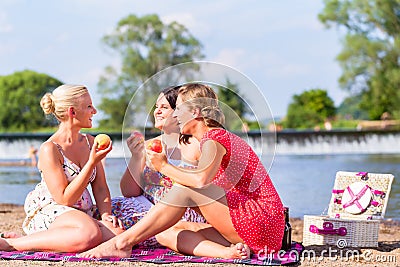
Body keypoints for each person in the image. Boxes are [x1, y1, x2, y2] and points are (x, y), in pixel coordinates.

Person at [80, 83, 285, 259]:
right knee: (167, 233)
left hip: (260, 223)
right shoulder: (211, 139)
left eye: (178, 109)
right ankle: (227, 253)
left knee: (183, 190)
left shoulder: (216, 138)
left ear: (195, 112)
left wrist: (164, 166)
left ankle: (120, 244)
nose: (175, 115)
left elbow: (200, 180)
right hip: (256, 233)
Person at [0, 84, 124, 252]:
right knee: (90, 234)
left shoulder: (90, 142)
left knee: (118, 233)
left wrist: (106, 215)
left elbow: (100, 186)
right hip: (53, 210)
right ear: (72, 112)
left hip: (80, 215)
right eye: (89, 106)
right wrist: (91, 163)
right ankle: (12, 244)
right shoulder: (49, 149)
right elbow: (64, 199)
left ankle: (49, 240)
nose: (94, 111)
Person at [112, 86, 205, 233]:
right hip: (147, 206)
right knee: (108, 211)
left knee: (121, 225)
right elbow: (129, 192)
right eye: (156, 107)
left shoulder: (196, 145)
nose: (157, 111)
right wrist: (137, 157)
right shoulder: (149, 145)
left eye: (164, 107)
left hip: (180, 212)